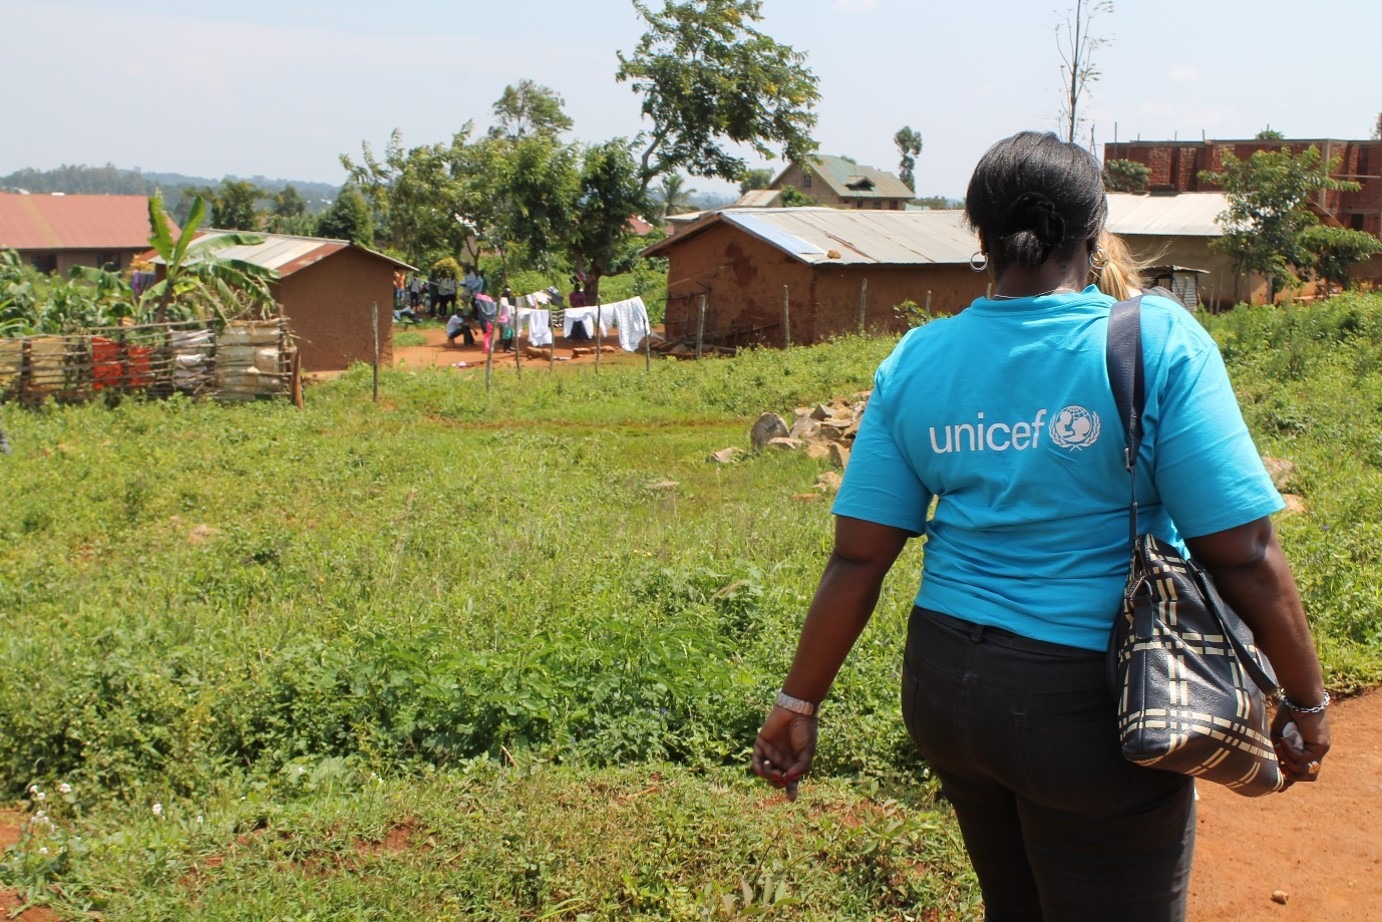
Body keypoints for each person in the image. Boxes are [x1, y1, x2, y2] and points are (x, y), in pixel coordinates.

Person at [751, 130, 1331, 922]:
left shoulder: (918, 358)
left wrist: (799, 701)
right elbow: (1247, 552)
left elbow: (858, 559)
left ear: (978, 236)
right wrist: (1304, 699)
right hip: (1090, 705)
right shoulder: (1151, 340)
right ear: (1095, 234)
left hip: (947, 691)